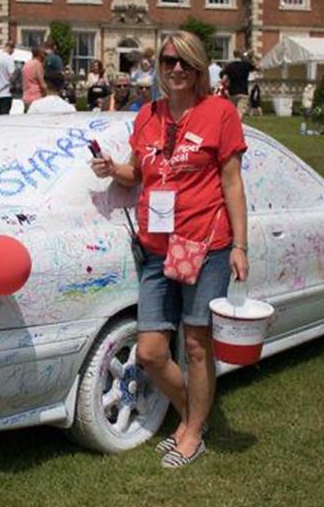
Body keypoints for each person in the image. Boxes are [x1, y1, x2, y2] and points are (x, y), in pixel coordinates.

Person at [90, 31, 248, 468]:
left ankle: (192, 433)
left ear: (199, 69)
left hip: (205, 244)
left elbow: (233, 182)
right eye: (168, 61)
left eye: (185, 62)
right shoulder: (147, 114)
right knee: (151, 351)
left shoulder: (219, 112)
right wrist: (112, 169)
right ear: (158, 66)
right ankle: (194, 415)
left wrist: (240, 245)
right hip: (157, 248)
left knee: (196, 345)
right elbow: (138, 173)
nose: (176, 69)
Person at [221, 50, 256, 116]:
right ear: (241, 55)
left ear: (234, 55)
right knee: (239, 113)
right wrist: (250, 57)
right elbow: (255, 67)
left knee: (233, 113)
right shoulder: (245, 65)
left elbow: (222, 75)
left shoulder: (229, 66)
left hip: (232, 92)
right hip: (243, 91)